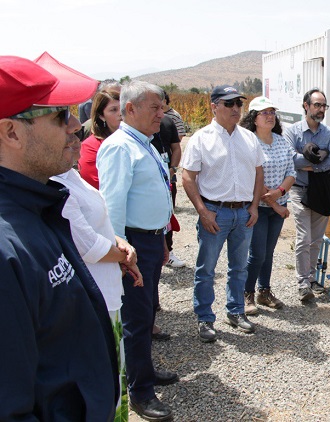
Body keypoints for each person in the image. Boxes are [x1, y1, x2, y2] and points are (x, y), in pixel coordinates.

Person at [0, 54, 119, 421]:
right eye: (58, 116)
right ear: (12, 132)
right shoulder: (7, 246)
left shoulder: (39, 206)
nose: (75, 126)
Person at [97, 80, 178, 421]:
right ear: (130, 109)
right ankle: (141, 393)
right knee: (136, 317)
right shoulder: (120, 147)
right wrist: (122, 254)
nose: (162, 113)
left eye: (162, 107)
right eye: (155, 108)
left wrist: (159, 237)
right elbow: (113, 206)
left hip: (147, 240)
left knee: (145, 314)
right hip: (132, 243)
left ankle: (143, 370)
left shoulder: (142, 142)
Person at [51, 137, 143, 421]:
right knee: (102, 375)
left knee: (115, 370)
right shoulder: (55, 185)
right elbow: (88, 246)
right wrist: (124, 257)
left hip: (107, 284)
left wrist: (120, 242)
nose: (76, 137)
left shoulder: (72, 174)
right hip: (93, 291)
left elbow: (98, 222)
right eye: (62, 126)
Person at [181, 85, 265, 342]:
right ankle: (205, 318)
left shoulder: (249, 138)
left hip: (243, 214)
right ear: (214, 106)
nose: (235, 109)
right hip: (215, 213)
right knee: (206, 269)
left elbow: (259, 173)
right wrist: (203, 211)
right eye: (228, 104)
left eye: (238, 104)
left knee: (239, 268)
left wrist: (253, 206)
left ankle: (236, 311)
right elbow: (187, 176)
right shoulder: (201, 138)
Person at [284, 88, 330, 301]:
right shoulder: (292, 132)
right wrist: (318, 159)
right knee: (304, 238)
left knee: (316, 239)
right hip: (300, 190)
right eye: (317, 105)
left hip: (322, 192)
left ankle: (311, 278)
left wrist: (312, 165)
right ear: (305, 106)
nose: (321, 109)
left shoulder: (329, 134)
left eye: (323, 106)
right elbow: (289, 158)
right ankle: (302, 283)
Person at [240, 96, 296, 314]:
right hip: (259, 209)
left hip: (277, 205)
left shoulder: (281, 140)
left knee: (269, 252)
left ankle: (264, 291)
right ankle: (247, 294)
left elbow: (291, 172)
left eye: (272, 111)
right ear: (254, 118)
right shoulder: (249, 142)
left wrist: (280, 192)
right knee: (257, 254)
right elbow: (253, 178)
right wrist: (276, 205)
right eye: (265, 112)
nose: (270, 116)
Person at [152, 111, 185, 269]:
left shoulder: (167, 121)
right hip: (151, 182)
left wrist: (172, 169)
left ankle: (168, 252)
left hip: (167, 179)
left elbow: (176, 148)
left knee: (168, 216)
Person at [78, 87, 121, 188]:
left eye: (122, 108)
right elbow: (96, 183)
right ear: (101, 116)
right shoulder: (91, 147)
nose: (120, 113)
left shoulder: (137, 138)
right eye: (113, 110)